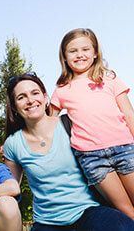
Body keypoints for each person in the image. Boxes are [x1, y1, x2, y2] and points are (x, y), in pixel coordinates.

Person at [3, 72, 134, 230]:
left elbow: (108, 148)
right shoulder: (12, 144)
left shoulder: (72, 124)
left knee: (123, 227)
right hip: (47, 222)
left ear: (45, 98)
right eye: (21, 97)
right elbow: (10, 188)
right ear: (15, 107)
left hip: (89, 211)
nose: (30, 100)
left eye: (35, 93)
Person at [51, 28, 134, 218]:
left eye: (85, 49)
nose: (80, 55)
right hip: (92, 158)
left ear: (95, 53)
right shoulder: (62, 89)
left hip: (125, 149)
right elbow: (45, 124)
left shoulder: (110, 80)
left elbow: (129, 115)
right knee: (126, 211)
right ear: (64, 57)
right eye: (73, 51)